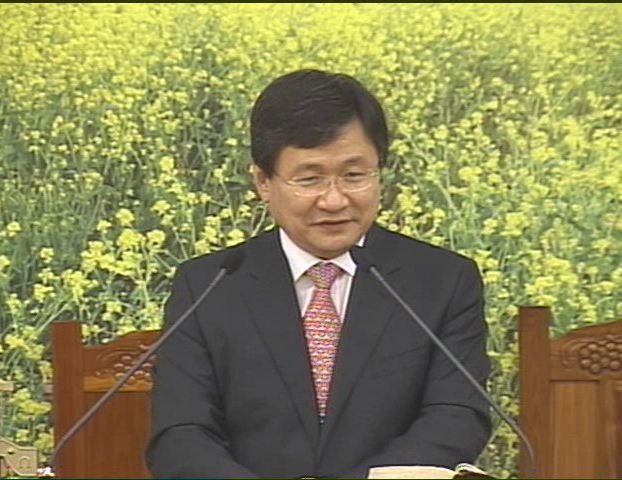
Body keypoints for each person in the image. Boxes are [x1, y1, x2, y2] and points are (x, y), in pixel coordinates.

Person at [146, 69, 491, 478]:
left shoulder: (443, 281)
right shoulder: (209, 285)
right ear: (263, 181)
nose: (333, 200)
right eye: (310, 179)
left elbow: (456, 415)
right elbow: (182, 432)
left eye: (354, 175)